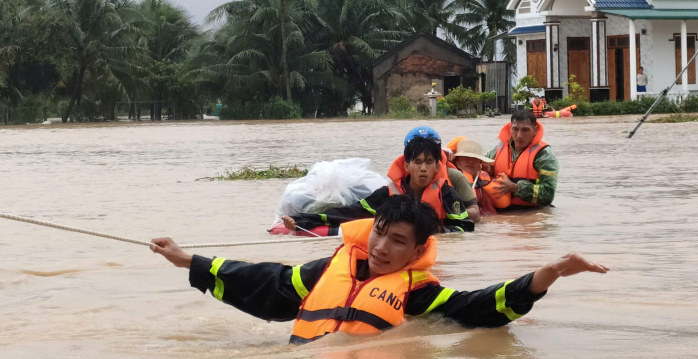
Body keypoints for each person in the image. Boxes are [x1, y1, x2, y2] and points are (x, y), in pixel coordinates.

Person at [151, 196, 609, 345]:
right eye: (380, 233)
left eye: (397, 242)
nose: (382, 248)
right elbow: (264, 281)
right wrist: (188, 259)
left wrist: (549, 272)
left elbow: (480, 307)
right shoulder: (328, 270)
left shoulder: (417, 293)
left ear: (417, 252)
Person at [282, 129, 474, 233]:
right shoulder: (387, 193)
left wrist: (439, 233)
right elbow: (349, 213)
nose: (423, 168)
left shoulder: (447, 193)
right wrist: (301, 220)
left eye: (429, 163)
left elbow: (466, 226)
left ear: (437, 166)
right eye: (417, 162)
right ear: (407, 166)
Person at [485, 110, 559, 209]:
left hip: (532, 212)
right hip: (501, 214)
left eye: (525, 130)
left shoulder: (545, 155)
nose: (519, 135)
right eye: (515, 129)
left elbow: (548, 195)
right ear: (510, 129)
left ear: (535, 130)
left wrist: (515, 188)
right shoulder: (495, 152)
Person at [451, 139, 508, 214]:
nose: (470, 161)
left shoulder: (486, 180)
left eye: (474, 158)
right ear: (457, 161)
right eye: (466, 157)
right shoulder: (450, 179)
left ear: (480, 163)